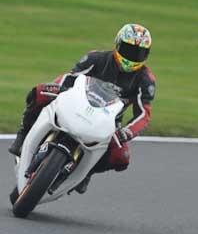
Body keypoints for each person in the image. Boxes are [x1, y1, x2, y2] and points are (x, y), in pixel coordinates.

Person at [8, 23, 156, 193]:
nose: (132, 57)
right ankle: (23, 135)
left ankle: (87, 171)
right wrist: (60, 89)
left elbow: (143, 113)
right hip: (76, 102)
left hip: (108, 121)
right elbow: (70, 77)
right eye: (128, 50)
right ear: (118, 44)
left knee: (121, 158)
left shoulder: (146, 80)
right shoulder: (96, 58)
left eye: (138, 53)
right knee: (40, 92)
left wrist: (126, 132)